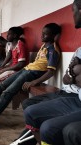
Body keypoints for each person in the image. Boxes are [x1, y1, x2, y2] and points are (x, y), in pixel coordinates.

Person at [0, 23, 62, 131]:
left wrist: (34, 82)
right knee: (0, 86)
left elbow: (51, 72)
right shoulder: (44, 46)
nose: (42, 36)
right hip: (26, 70)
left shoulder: (53, 50)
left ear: (54, 35)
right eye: (42, 33)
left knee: (7, 93)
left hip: (32, 74)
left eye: (45, 34)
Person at [22, 1, 81, 144]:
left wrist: (75, 73)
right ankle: (23, 141)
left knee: (49, 127)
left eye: (73, 10)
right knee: (28, 106)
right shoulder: (79, 49)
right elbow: (67, 78)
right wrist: (75, 73)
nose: (72, 14)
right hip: (70, 91)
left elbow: (52, 72)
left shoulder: (52, 50)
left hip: (73, 95)